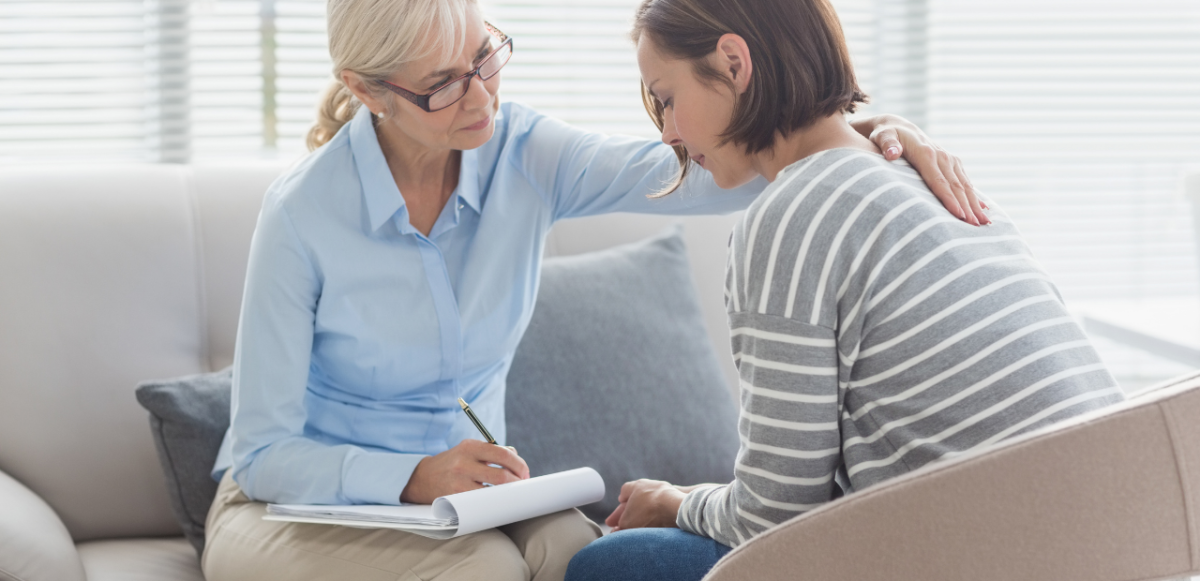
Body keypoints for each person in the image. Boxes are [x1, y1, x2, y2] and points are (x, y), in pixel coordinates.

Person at [199, 0, 984, 580]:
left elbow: (707, 163)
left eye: (485, 58)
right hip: (287, 509)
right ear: (368, 90)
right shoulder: (304, 214)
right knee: (482, 575)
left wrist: (867, 135)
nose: (481, 98)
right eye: (442, 85)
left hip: (471, 498)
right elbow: (265, 453)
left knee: (593, 560)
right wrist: (409, 476)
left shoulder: (521, 152)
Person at [564, 0, 1125, 579]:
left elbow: (774, 517)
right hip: (1127, 539)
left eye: (666, 98)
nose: (667, 133)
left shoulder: (787, 218)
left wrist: (677, 503)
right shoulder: (940, 186)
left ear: (733, 62)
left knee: (615, 565)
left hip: (992, 553)